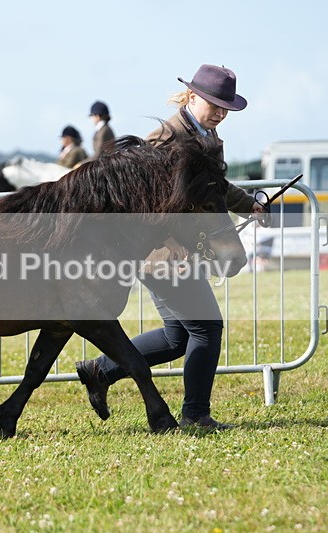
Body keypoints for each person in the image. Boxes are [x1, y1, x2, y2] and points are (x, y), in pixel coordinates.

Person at [75, 64, 265, 430]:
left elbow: (216, 187)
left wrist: (250, 204)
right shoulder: (165, 137)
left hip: (182, 252)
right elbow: (139, 199)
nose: (221, 113)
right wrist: (167, 240)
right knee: (207, 328)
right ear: (192, 96)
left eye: (227, 107)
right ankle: (195, 415)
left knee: (178, 336)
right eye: (215, 104)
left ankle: (100, 370)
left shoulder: (207, 136)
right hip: (163, 255)